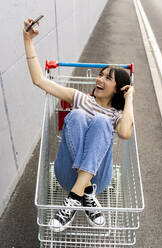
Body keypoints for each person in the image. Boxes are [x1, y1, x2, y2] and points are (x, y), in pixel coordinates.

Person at [23, 18, 135, 232]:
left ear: (118, 87)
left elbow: (124, 133)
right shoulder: (80, 99)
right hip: (66, 174)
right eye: (100, 75)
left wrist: (130, 99)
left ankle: (75, 197)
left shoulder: (116, 114)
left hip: (98, 180)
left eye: (107, 78)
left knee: (102, 121)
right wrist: (28, 41)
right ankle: (82, 193)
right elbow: (39, 80)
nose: (100, 80)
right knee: (76, 116)